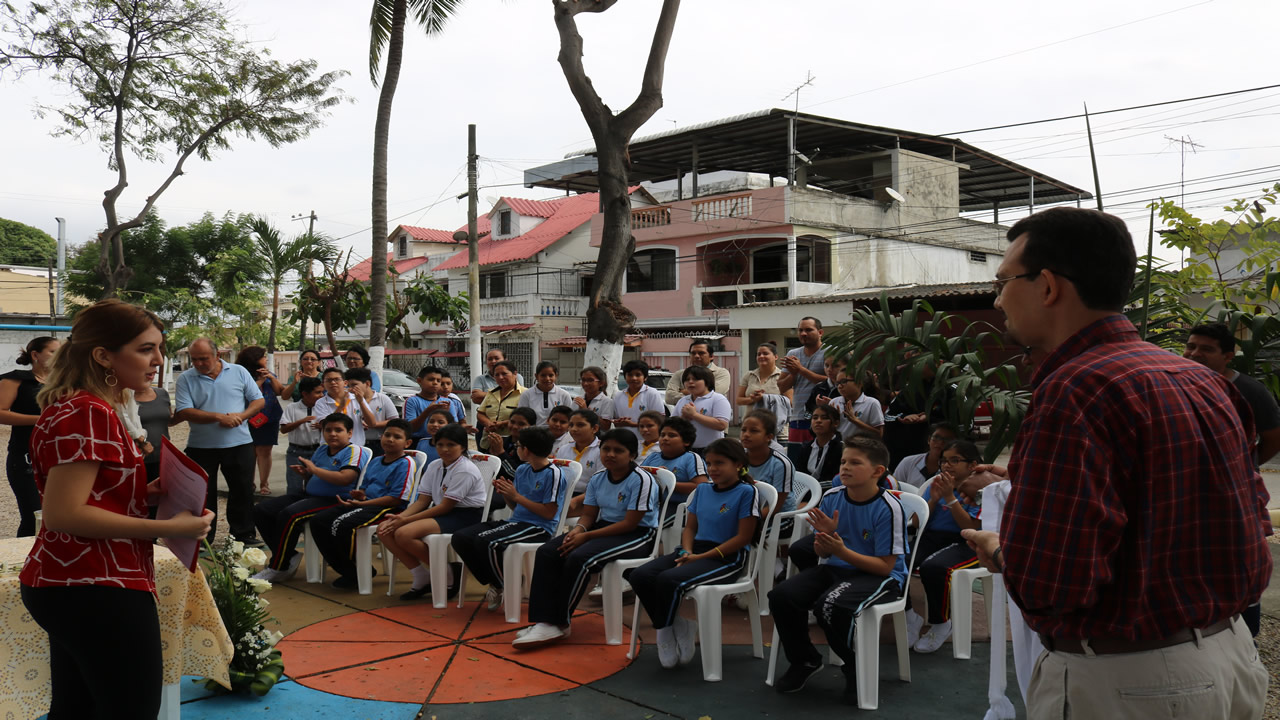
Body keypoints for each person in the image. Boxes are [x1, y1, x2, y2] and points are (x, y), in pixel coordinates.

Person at [962, 207, 1269, 719]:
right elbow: (1241, 517)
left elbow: (1051, 585)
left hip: (1131, 682)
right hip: (1230, 657)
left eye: (1004, 282)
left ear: (1049, 286)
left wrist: (1000, 549)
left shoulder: (1073, 390)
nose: (998, 299)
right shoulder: (1198, 379)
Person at [20, 300, 212, 718]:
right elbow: (64, 514)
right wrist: (167, 527)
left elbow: (91, 495)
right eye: (146, 349)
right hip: (94, 583)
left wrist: (148, 493)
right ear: (104, 355)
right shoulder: (89, 411)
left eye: (159, 349)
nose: (159, 361)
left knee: (78, 709)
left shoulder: (81, 405)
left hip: (74, 582)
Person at [768, 436, 908, 705]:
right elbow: (822, 554)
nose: (845, 467)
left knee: (830, 606)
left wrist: (841, 550)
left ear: (877, 472)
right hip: (837, 568)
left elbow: (886, 566)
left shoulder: (889, 508)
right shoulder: (832, 497)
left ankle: (855, 666)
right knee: (782, 596)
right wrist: (825, 542)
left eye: (855, 462)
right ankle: (805, 660)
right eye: (844, 461)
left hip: (879, 577)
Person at [514, 429, 661, 648]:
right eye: (606, 449)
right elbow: (590, 514)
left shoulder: (641, 480)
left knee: (579, 558)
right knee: (548, 551)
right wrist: (579, 529)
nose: (610, 454)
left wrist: (587, 536)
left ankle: (558, 623)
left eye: (618, 450)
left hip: (637, 535)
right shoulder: (599, 478)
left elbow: (630, 523)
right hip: (603, 528)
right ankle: (543, 620)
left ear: (631, 455)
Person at [628, 437, 761, 668]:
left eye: (719, 463)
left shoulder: (747, 492)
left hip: (727, 558)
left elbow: (743, 538)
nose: (712, 469)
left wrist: (699, 558)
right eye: (709, 463)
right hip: (695, 550)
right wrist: (688, 551)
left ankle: (663, 633)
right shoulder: (703, 490)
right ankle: (676, 625)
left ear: (738, 464)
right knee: (639, 575)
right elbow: (690, 527)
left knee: (668, 580)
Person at [1184, 321, 1280, 638]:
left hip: (1239, 499)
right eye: (1191, 346)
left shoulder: (1250, 391)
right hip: (1192, 498)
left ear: (1228, 356)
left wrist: (1245, 467)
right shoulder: (1176, 384)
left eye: (1206, 349)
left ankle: (1246, 639)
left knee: (1243, 566)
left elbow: (1273, 438)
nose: (1195, 354)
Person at [451, 426, 569, 612]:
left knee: (486, 542)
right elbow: (516, 507)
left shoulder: (553, 474)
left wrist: (516, 496)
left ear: (527, 450)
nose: (516, 449)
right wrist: (506, 493)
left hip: (538, 527)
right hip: (516, 522)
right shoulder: (522, 469)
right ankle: (498, 580)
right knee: (461, 537)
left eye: (518, 446)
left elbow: (548, 513)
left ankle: (502, 583)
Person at [252, 413, 372, 580]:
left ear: (350, 433)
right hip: (309, 494)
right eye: (328, 430)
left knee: (290, 515)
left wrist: (314, 470)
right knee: (261, 510)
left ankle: (279, 567)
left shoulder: (354, 451)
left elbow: (346, 478)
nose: (333, 434)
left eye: (339, 430)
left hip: (334, 499)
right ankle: (289, 555)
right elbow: (314, 475)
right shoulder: (323, 449)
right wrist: (306, 474)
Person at [380, 423, 487, 601]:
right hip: (442, 512)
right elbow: (423, 500)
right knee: (384, 529)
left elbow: (446, 506)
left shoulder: (465, 469)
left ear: (462, 446)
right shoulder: (436, 465)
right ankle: (421, 576)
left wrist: (405, 522)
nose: (444, 449)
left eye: (451, 445)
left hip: (465, 515)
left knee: (404, 534)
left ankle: (448, 574)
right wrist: (400, 517)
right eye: (440, 444)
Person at [174, 338, 265, 544]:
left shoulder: (239, 372)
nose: (198, 364)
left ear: (217, 356)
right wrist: (218, 417)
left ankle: (243, 535)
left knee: (242, 490)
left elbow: (258, 400)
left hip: (240, 443)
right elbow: (185, 410)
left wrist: (241, 416)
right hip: (201, 447)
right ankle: (203, 537)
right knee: (202, 494)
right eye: (194, 359)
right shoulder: (186, 379)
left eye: (203, 359)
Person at [306, 419, 415, 588]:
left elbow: (397, 498)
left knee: (341, 525)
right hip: (365, 504)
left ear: (407, 443)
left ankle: (357, 571)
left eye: (397, 437)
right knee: (319, 521)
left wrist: (363, 504)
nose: (390, 439)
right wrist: (360, 495)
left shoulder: (405, 463)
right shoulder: (377, 460)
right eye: (387, 435)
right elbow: (364, 488)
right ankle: (348, 569)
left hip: (386, 508)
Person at [903, 439, 984, 654]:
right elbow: (918, 524)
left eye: (954, 460)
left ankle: (941, 623)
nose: (947, 466)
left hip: (967, 541)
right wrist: (933, 500)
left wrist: (950, 498)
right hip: (932, 537)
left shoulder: (981, 489)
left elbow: (970, 528)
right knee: (896, 560)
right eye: (944, 461)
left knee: (934, 568)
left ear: (972, 465)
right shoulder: (936, 483)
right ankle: (910, 615)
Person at [0, 336, 60, 536]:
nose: (58, 355)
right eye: (53, 351)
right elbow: (1, 413)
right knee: (34, 519)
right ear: (35, 355)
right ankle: (26, 564)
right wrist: (40, 419)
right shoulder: (16, 379)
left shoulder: (62, 382)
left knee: (56, 519)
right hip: (26, 460)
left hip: (59, 460)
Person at [235, 345, 284, 496]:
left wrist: (270, 377)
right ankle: (249, 482)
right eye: (263, 357)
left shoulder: (268, 373)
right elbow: (245, 394)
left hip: (269, 418)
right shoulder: (241, 374)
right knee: (249, 452)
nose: (266, 359)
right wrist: (261, 381)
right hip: (248, 418)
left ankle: (264, 483)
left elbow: (280, 391)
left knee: (265, 451)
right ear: (254, 359)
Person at [640, 416, 708, 514]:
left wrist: (665, 482)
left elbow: (701, 486)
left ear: (686, 441)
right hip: (653, 503)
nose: (665, 438)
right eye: (662, 435)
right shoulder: (653, 457)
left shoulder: (690, 458)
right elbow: (639, 475)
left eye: (672, 435)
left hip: (680, 508)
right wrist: (653, 474)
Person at [777, 317, 826, 446]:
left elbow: (835, 382)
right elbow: (782, 387)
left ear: (820, 332)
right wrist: (793, 374)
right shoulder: (793, 354)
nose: (804, 333)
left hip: (824, 419)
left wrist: (801, 370)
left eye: (809, 330)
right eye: (801, 330)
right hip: (797, 418)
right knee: (797, 461)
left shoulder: (830, 352)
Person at [278, 376, 325, 495]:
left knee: (315, 485)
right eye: (317, 392)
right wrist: (301, 421)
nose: (321, 395)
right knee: (294, 486)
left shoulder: (323, 408)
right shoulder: (292, 407)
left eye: (322, 392)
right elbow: (283, 429)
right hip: (296, 452)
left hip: (317, 451)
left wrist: (323, 427)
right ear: (304, 393)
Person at [737, 341, 792, 438]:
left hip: (777, 431)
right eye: (759, 354)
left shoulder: (783, 376)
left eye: (765, 353)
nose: (761, 356)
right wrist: (753, 399)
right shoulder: (749, 375)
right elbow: (739, 400)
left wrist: (765, 398)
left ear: (775, 357)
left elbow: (790, 402)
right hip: (751, 430)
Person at [672, 365, 731, 453]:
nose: (690, 382)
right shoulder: (683, 400)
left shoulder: (718, 399)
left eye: (695, 379)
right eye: (687, 379)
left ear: (707, 382)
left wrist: (694, 415)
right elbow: (672, 426)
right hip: (686, 451)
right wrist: (683, 418)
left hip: (711, 450)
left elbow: (721, 425)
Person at [314, 366, 376, 449]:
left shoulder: (356, 398)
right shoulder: (321, 402)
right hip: (331, 448)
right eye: (328, 380)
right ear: (323, 385)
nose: (333, 382)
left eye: (337, 379)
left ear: (345, 383)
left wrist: (361, 402)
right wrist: (341, 406)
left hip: (356, 446)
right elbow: (325, 425)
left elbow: (372, 423)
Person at [346, 366, 399, 457]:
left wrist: (375, 424)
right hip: (355, 444)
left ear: (367, 383)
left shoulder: (382, 399)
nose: (351, 389)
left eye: (354, 385)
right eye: (349, 386)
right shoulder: (349, 400)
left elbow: (395, 421)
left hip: (378, 443)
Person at [891, 422, 958, 490]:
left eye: (947, 439)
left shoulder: (953, 468)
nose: (940, 442)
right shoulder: (908, 462)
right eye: (936, 437)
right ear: (929, 440)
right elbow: (894, 488)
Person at [790, 404, 843, 490]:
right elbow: (799, 475)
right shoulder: (806, 448)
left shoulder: (841, 448)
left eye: (824, 418)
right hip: (805, 494)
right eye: (815, 418)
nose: (818, 421)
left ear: (836, 423)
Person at [665, 340, 733, 406]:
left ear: (711, 356)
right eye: (693, 353)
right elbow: (669, 398)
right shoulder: (679, 374)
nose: (696, 356)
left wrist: (684, 392)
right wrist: (699, 393)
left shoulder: (721, 373)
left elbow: (712, 394)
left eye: (701, 353)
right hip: (685, 415)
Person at [612, 360, 666, 443]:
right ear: (625, 376)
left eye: (638, 375)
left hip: (647, 442)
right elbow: (615, 422)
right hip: (624, 442)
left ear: (645, 377)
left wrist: (632, 424)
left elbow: (659, 420)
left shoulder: (652, 393)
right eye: (630, 375)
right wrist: (620, 422)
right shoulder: (618, 396)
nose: (634, 378)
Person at [476, 360, 524, 451]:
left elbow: (525, 418)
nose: (500, 377)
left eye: (504, 374)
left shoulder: (525, 394)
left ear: (515, 374)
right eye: (496, 375)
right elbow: (480, 413)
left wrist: (502, 424)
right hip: (488, 441)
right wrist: (488, 423)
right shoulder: (491, 393)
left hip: (512, 443)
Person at [552, 408, 601, 495]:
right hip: (563, 493)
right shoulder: (564, 449)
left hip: (590, 496)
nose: (574, 429)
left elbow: (600, 484)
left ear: (595, 428)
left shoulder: (601, 451)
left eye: (580, 425)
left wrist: (576, 502)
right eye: (571, 425)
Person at [828, 370, 884, 440]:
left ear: (859, 382)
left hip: (861, 448)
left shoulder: (872, 403)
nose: (839, 386)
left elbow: (879, 434)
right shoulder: (834, 402)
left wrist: (855, 420)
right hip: (838, 448)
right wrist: (832, 422)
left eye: (843, 381)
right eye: (837, 383)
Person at [517, 361, 576, 426]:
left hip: (558, 432)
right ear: (536, 376)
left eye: (551, 375)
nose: (547, 379)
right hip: (533, 433)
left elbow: (570, 417)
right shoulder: (527, 395)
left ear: (556, 376)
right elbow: (521, 417)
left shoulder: (564, 395)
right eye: (543, 375)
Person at [572, 365, 614, 431]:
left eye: (590, 380)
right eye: (583, 380)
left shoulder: (607, 401)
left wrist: (587, 411)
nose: (585, 384)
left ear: (601, 383)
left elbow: (605, 427)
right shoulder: (578, 400)